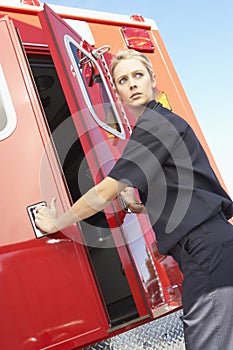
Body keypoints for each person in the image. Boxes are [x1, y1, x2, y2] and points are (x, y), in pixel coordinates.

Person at [35, 49, 233, 349]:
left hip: (207, 249)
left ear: (153, 80)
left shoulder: (155, 125)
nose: (132, 84)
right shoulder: (158, 124)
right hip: (208, 245)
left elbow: (104, 191)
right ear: (117, 92)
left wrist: (56, 222)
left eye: (138, 75)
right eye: (123, 80)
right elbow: (178, 187)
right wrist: (145, 207)